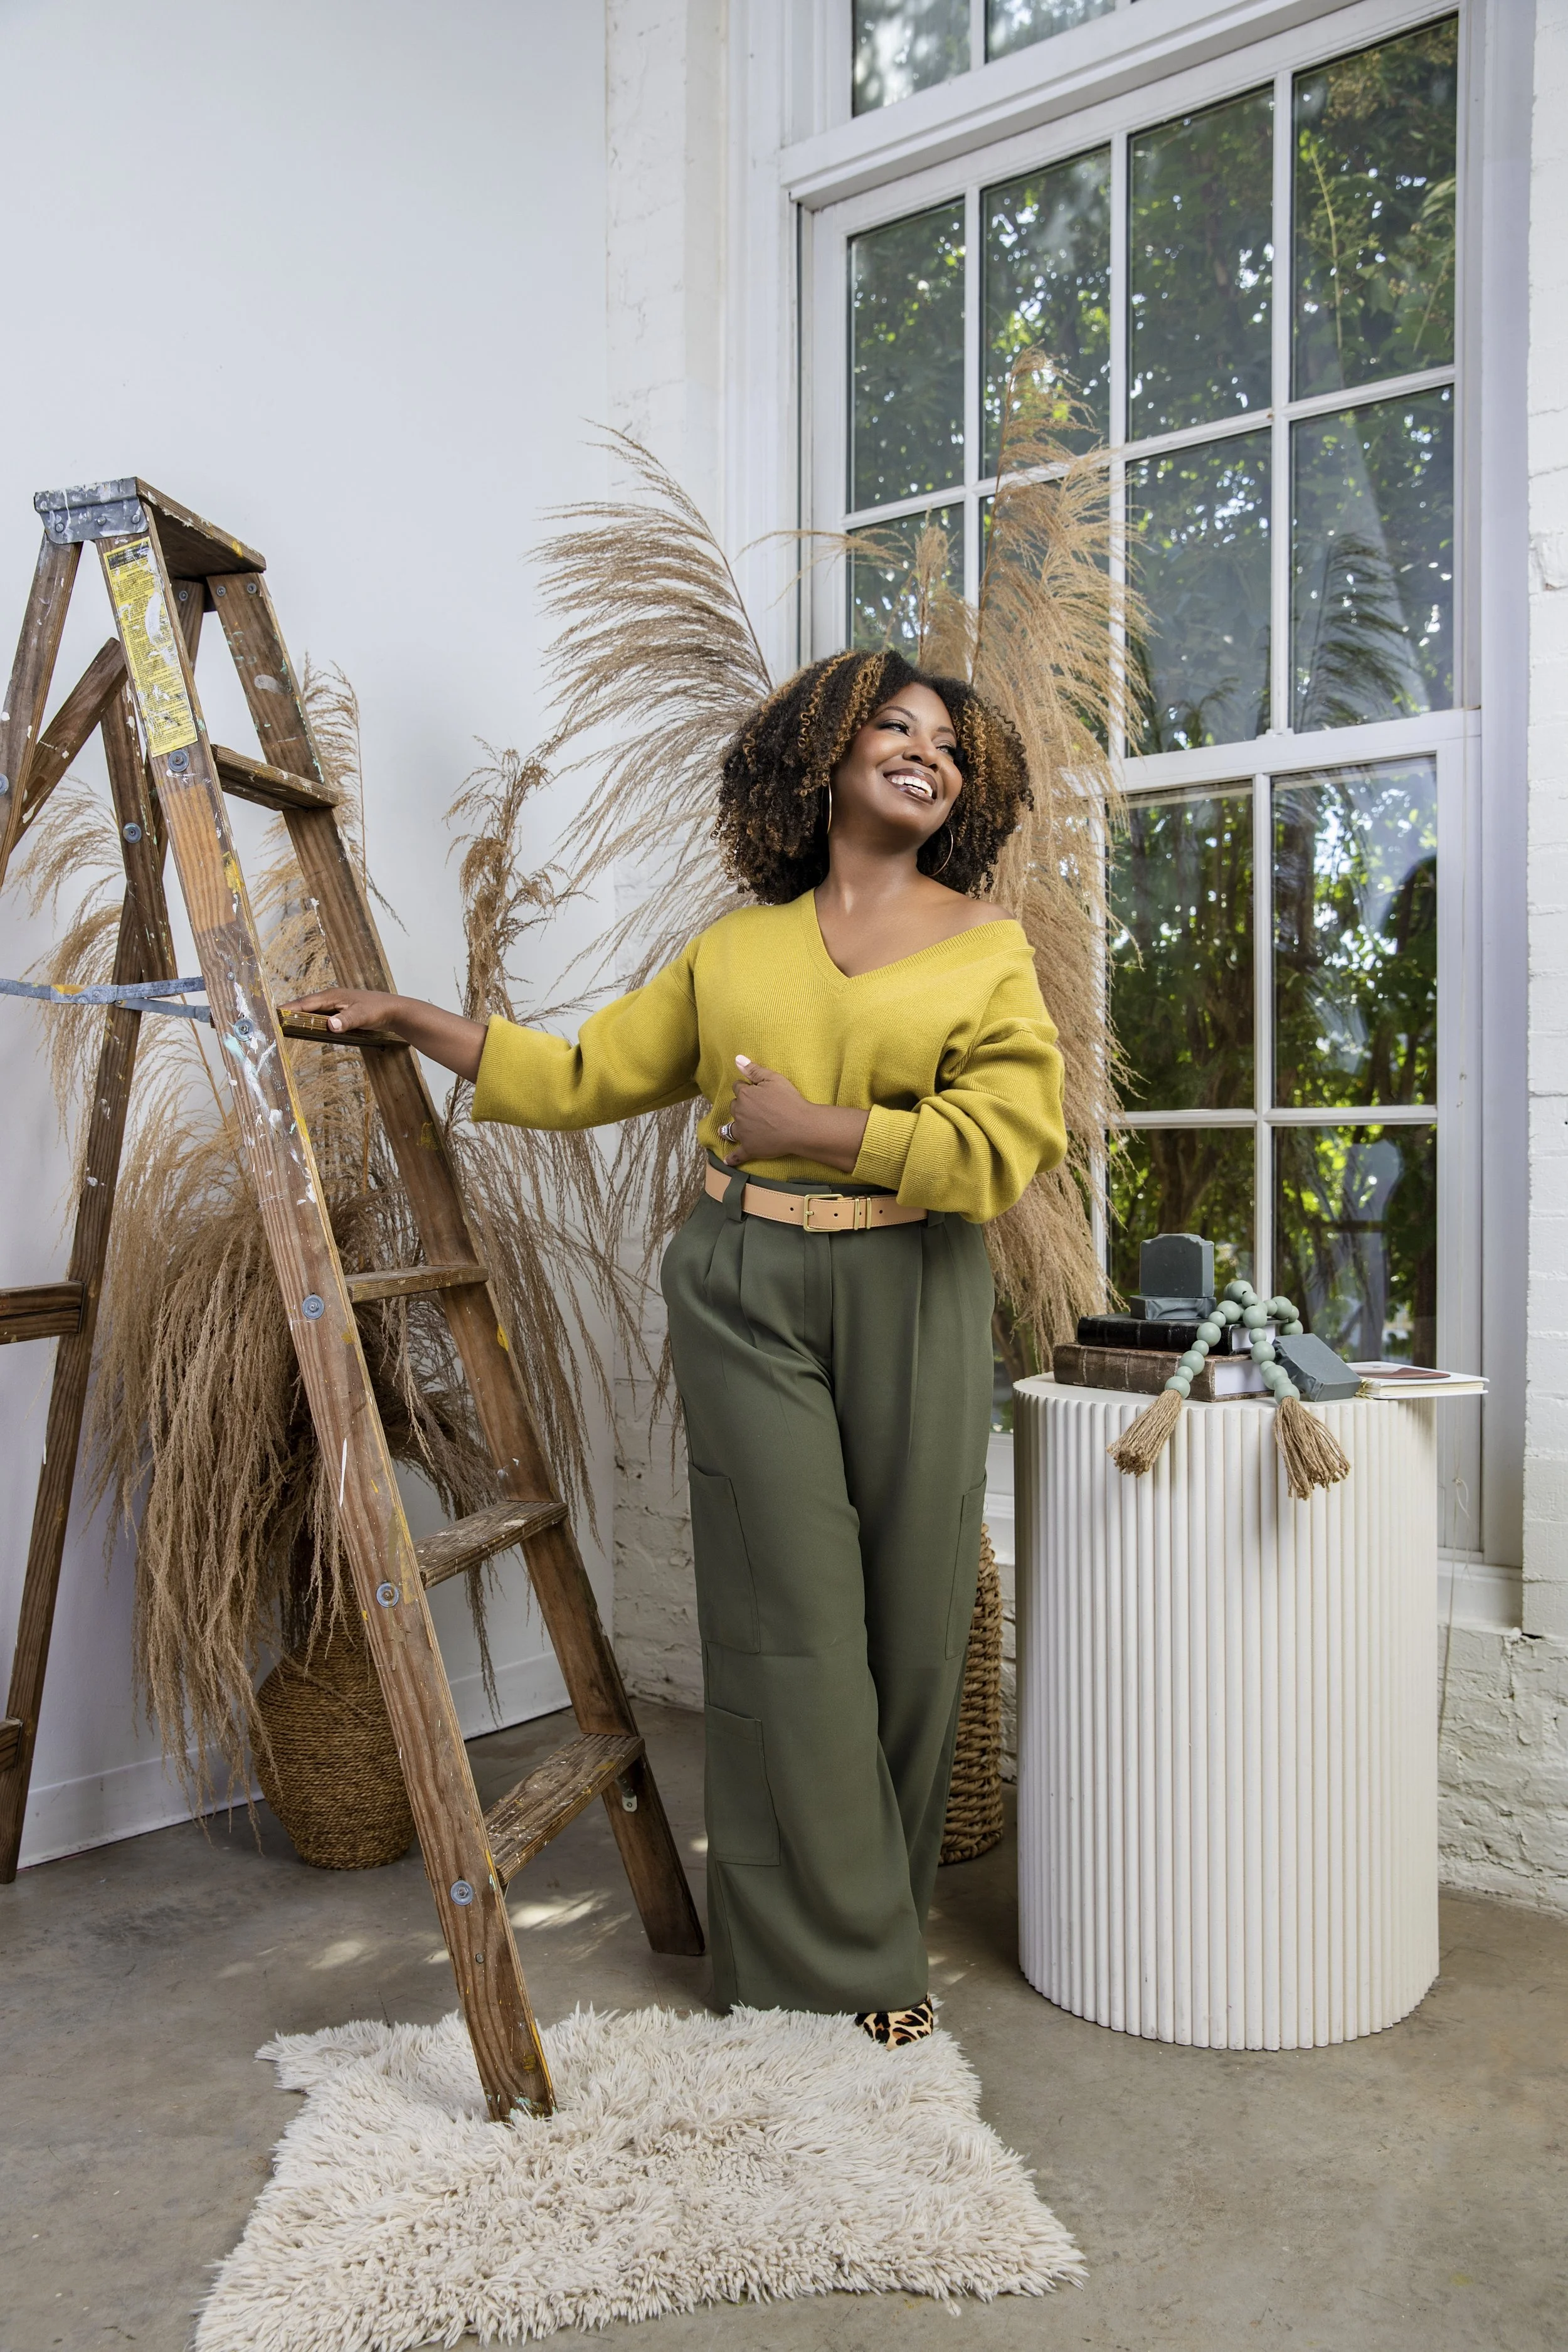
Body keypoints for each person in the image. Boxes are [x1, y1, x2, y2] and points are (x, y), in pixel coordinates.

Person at [285, 647, 1066, 2045]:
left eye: (944, 743)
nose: (920, 749)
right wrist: (410, 1017)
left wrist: (820, 1129)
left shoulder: (983, 942)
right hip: (742, 1276)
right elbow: (580, 1078)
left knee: (908, 1617)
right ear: (817, 757)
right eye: (888, 725)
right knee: (790, 1625)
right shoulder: (732, 950)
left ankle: (873, 1920)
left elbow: (1006, 1143)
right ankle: (820, 1967)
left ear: (964, 786)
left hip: (914, 1280)